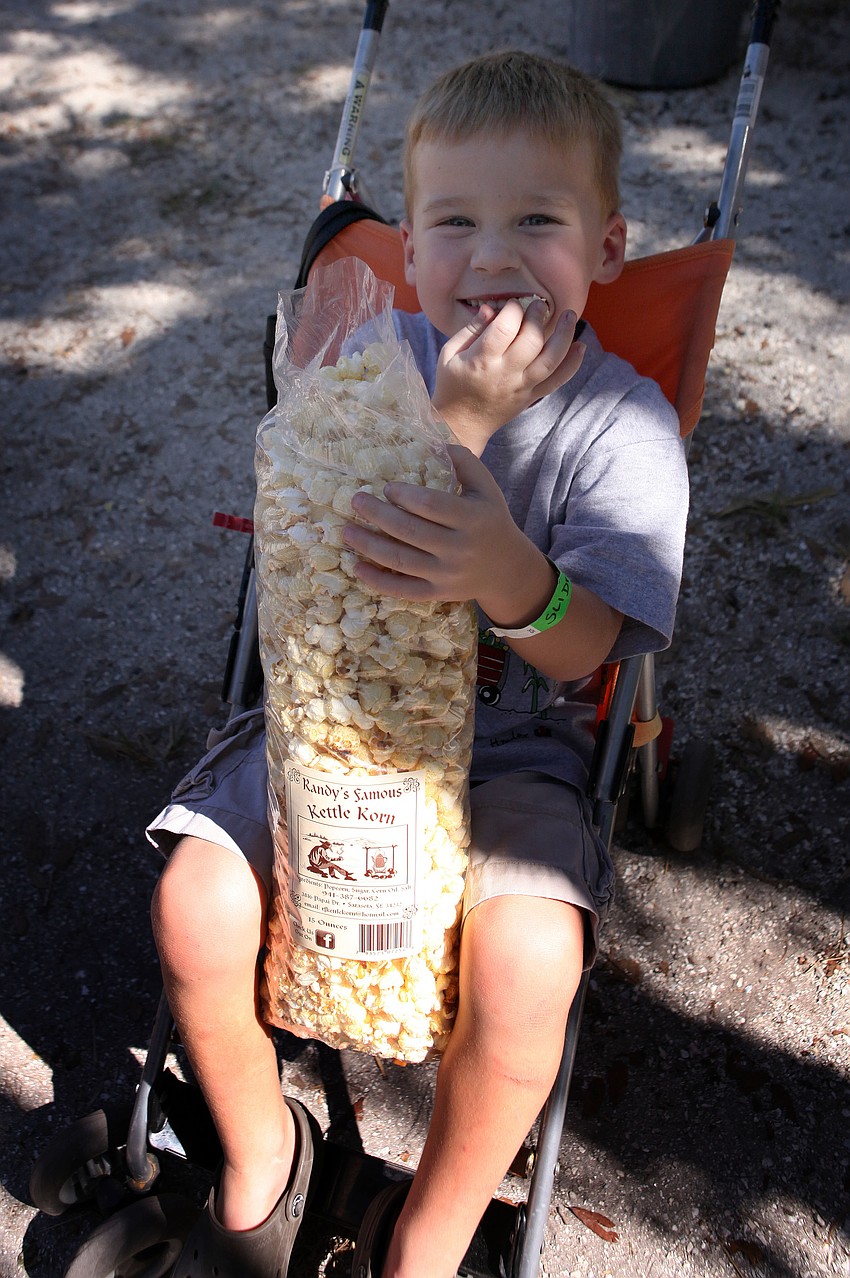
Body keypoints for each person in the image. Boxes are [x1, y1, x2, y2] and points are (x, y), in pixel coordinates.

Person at [148, 49, 689, 1278]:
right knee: (194, 902)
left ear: (606, 247)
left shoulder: (624, 427)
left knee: (530, 958)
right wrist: (454, 424)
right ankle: (260, 1155)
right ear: (404, 250)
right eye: (454, 223)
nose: (492, 258)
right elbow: (312, 561)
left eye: (536, 222)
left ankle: (431, 1236)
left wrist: (509, 573)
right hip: (330, 729)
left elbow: (589, 650)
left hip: (513, 744)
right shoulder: (358, 365)